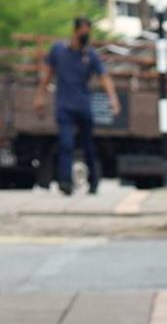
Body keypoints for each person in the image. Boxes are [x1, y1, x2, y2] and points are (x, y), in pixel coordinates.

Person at [46, 17, 120, 196]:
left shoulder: (90, 55)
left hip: (83, 107)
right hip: (64, 106)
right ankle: (65, 182)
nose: (86, 35)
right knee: (66, 144)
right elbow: (47, 74)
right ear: (75, 31)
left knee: (88, 145)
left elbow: (104, 77)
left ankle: (93, 181)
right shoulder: (58, 51)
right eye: (84, 31)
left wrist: (113, 99)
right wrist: (40, 96)